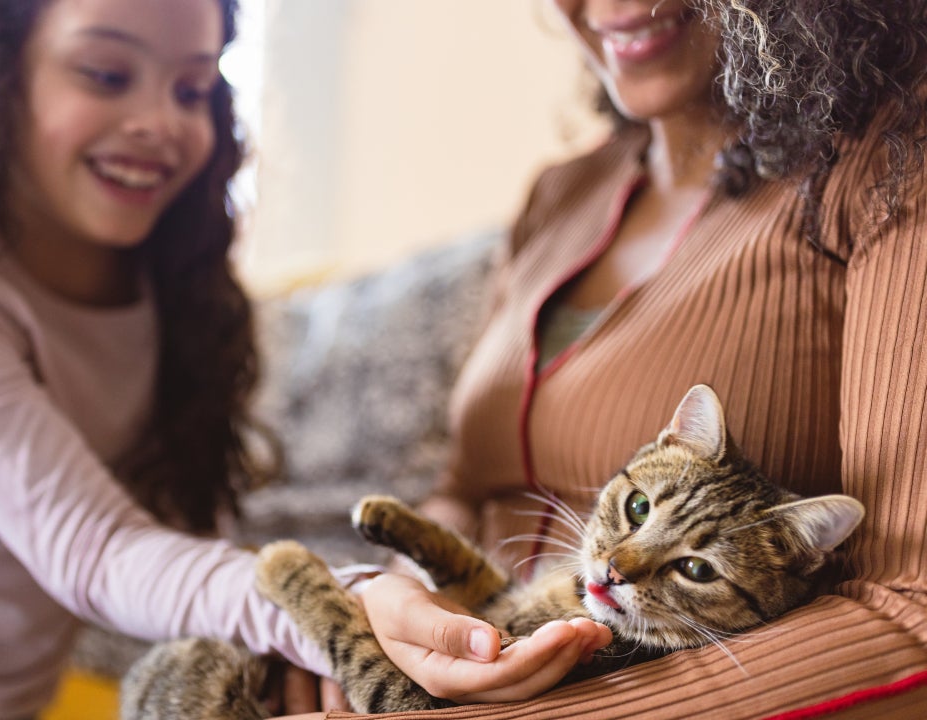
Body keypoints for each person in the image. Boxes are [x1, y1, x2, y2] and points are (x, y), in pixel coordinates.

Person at [0, 1, 610, 718]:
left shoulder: (171, 287)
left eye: (192, 85)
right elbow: (93, 548)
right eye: (107, 75)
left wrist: (311, 640)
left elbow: (169, 535)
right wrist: (330, 601)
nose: (162, 117)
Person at [339, 0, 927, 718]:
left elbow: (911, 610)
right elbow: (463, 488)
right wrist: (392, 606)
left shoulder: (892, 159)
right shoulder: (561, 192)